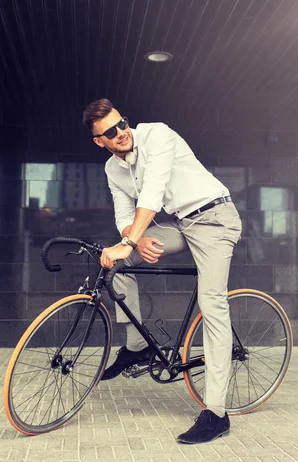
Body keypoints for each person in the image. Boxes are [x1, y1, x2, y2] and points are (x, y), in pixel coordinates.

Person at [82, 98, 242, 444]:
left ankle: (216, 413)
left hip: (215, 219)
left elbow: (153, 190)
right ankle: (138, 346)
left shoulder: (157, 135)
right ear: (100, 142)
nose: (121, 132)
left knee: (212, 303)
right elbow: (124, 215)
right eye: (110, 131)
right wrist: (133, 242)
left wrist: (130, 238)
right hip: (179, 224)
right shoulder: (113, 169)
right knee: (118, 266)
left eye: (121, 123)